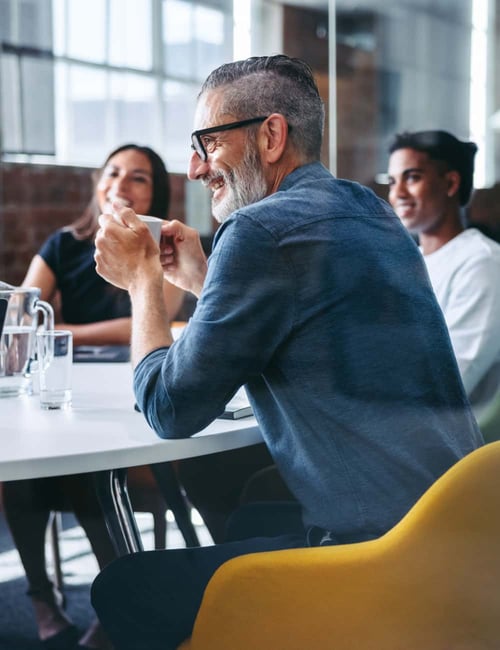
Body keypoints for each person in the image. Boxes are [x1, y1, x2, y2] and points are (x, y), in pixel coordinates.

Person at [91, 55, 483, 650]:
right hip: (459, 538)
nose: (195, 168)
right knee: (251, 512)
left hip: (383, 557)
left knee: (123, 588)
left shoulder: (259, 233)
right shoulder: (368, 210)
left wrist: (145, 280)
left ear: (271, 135)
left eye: (207, 142)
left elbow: (169, 409)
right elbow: (304, 322)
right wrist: (205, 278)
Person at [2, 144, 184, 650]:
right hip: (67, 390)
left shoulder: (162, 245)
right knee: (26, 469)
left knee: (88, 464)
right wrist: (43, 325)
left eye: (140, 178)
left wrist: (65, 332)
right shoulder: (64, 244)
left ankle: (114, 602)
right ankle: (40, 597)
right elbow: (21, 315)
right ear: (98, 183)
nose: (122, 183)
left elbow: (150, 321)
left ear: (158, 193)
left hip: (132, 389)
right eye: (114, 172)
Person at [387, 130, 500, 423]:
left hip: (452, 446)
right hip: (405, 427)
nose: (397, 193)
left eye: (412, 178)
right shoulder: (410, 264)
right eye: (392, 181)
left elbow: (451, 382)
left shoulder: (483, 263)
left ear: (450, 183)